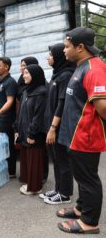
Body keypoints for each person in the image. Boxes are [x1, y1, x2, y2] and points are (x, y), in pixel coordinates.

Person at [57, 27, 106, 235]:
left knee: (88, 179)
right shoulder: (81, 65)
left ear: (80, 47)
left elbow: (103, 106)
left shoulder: (95, 68)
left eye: (67, 47)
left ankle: (89, 222)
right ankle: (80, 208)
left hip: (85, 137)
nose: (64, 50)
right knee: (81, 177)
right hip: (74, 137)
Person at [39, 43, 75, 205]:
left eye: (51, 55)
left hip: (58, 126)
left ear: (59, 57)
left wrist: (53, 128)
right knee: (55, 158)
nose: (48, 58)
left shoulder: (66, 75)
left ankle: (65, 194)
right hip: (51, 125)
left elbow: (61, 104)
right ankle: (59, 189)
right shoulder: (57, 74)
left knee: (62, 160)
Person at [14, 64, 47, 195]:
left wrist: (32, 133)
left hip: (34, 134)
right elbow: (20, 113)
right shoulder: (27, 91)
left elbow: (39, 116)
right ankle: (29, 183)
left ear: (35, 75)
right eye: (24, 72)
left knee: (35, 161)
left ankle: (35, 187)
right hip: (24, 131)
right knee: (27, 160)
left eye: (27, 73)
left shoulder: (41, 92)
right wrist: (17, 128)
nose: (24, 75)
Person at [0, 57, 18, 178]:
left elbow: (10, 101)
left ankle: (11, 171)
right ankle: (3, 170)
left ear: (6, 67)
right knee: (0, 146)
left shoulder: (10, 82)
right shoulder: (0, 81)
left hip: (6, 120)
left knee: (7, 145)